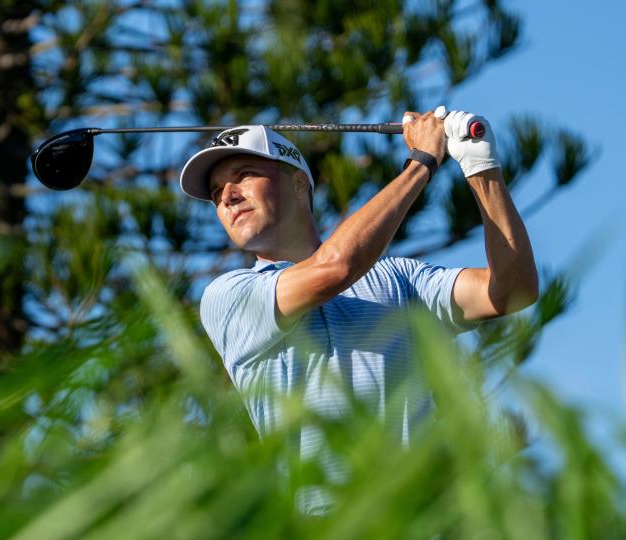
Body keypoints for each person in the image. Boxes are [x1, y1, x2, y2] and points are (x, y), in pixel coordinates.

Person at [179, 109, 537, 506]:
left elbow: (512, 291)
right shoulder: (226, 297)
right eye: (215, 193)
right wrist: (421, 164)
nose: (227, 196)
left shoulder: (400, 278)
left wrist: (480, 167)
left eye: (244, 174)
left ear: (299, 184)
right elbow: (335, 267)